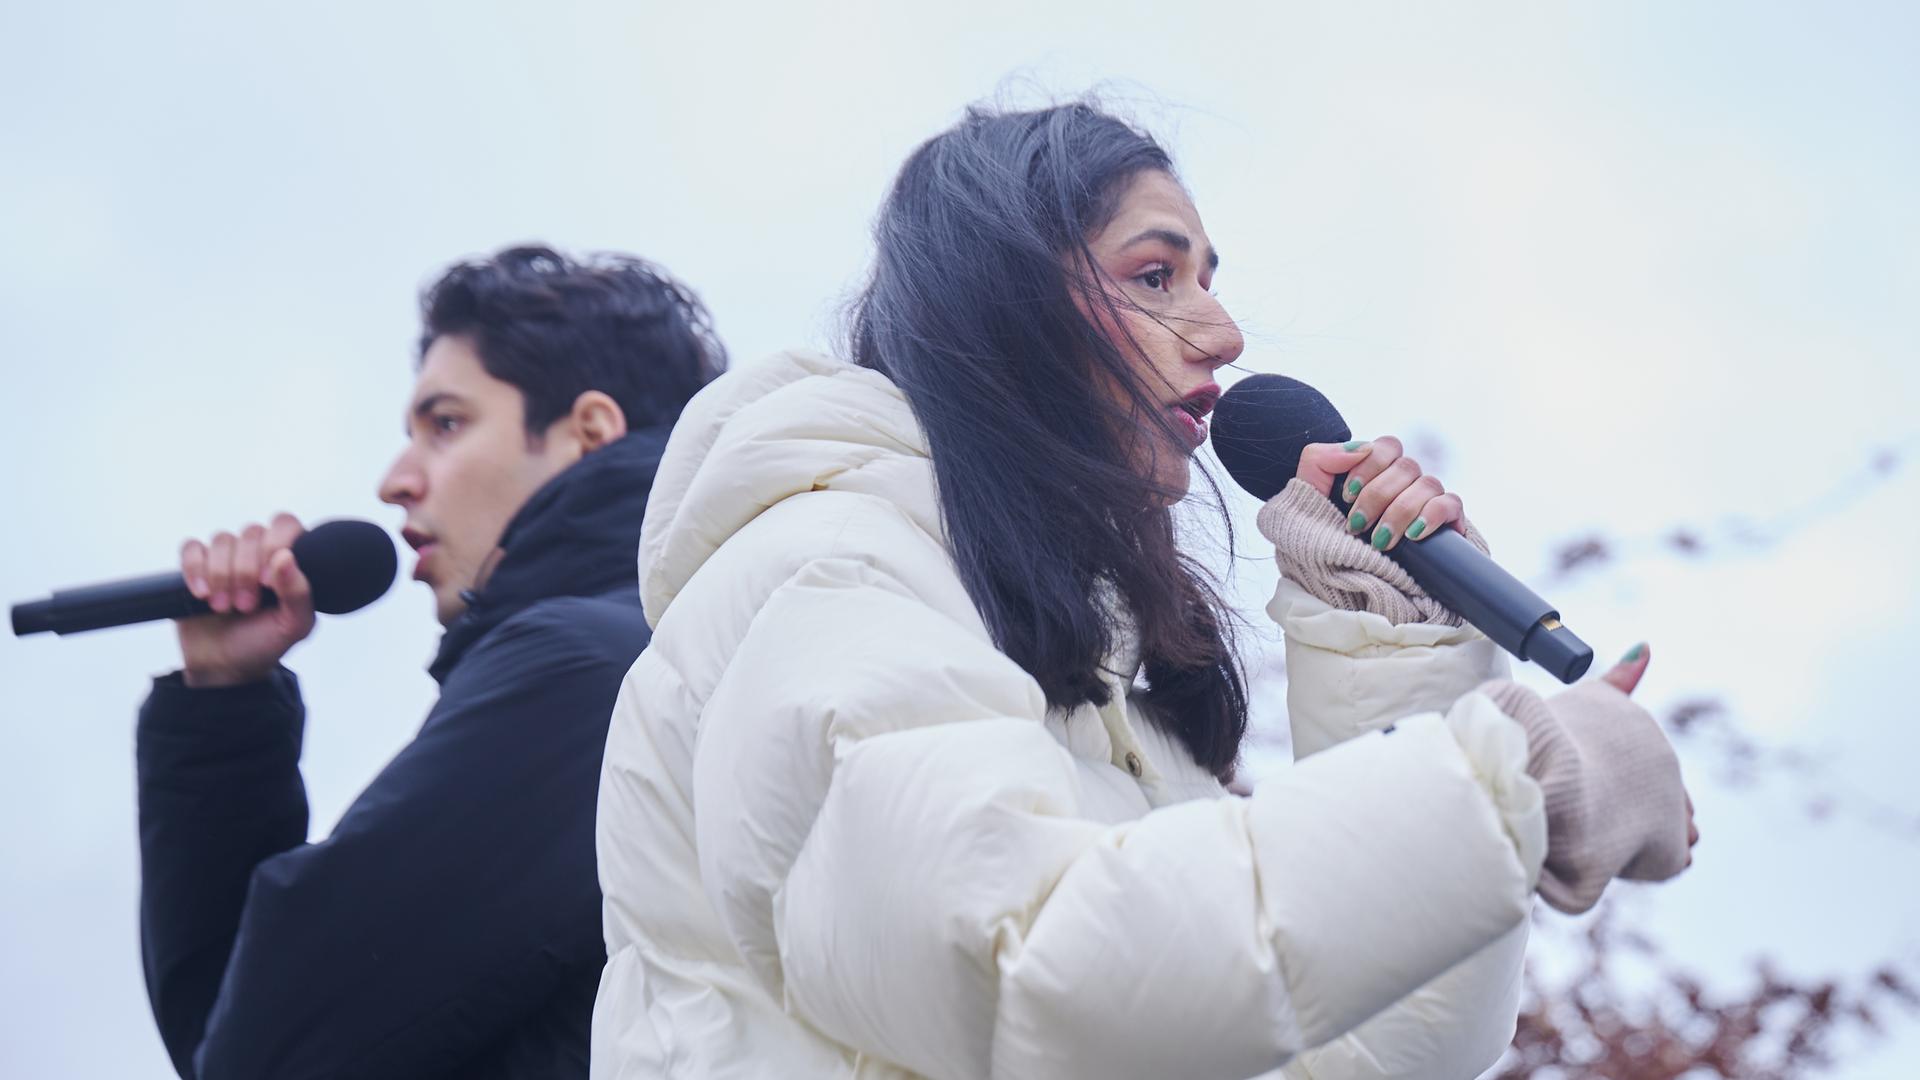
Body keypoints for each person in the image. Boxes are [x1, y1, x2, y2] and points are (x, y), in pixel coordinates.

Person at [592, 103, 1697, 1080]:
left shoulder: (1084, 666)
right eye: (1156, 275)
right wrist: (1519, 777)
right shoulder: (830, 566)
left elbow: (1355, 1053)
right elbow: (1046, 978)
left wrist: (1386, 640)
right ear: (1002, 304)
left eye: (1207, 278)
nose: (1222, 333)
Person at [136, 246, 724, 1079]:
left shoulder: (580, 668)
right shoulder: (676, 644)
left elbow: (257, 1057)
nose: (395, 481)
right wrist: (223, 701)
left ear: (587, 432)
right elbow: (238, 1037)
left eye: (445, 424)